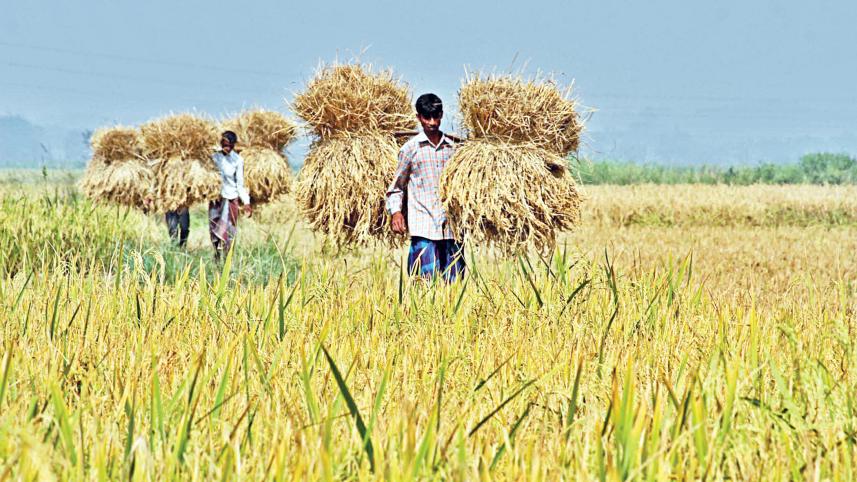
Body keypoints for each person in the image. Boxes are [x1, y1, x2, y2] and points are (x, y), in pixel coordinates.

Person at [386, 93, 465, 282]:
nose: (432, 122)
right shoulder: (410, 149)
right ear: (419, 117)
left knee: (454, 287)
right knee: (424, 285)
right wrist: (396, 212)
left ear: (442, 115)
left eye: (436, 116)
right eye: (427, 117)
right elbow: (397, 187)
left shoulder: (454, 149)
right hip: (423, 227)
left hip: (451, 228)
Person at [209, 130, 252, 260]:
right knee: (214, 230)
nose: (227, 147)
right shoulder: (214, 157)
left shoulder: (237, 160)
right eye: (224, 144)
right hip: (216, 199)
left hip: (231, 198)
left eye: (230, 145)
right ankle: (217, 256)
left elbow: (240, 183)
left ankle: (228, 259)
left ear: (234, 145)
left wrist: (246, 202)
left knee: (229, 231)